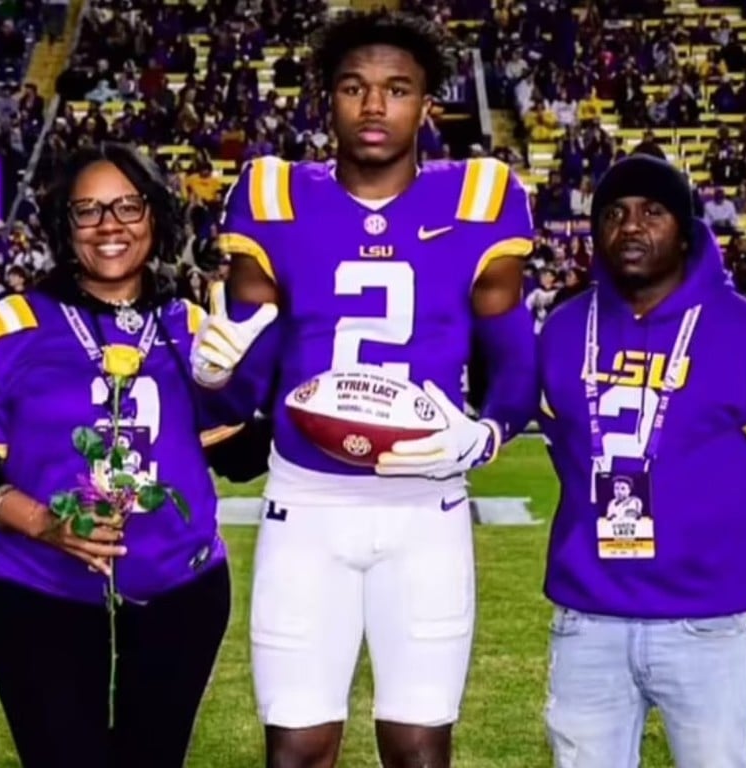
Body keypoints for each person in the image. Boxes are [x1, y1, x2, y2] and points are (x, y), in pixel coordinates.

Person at [191, 12, 539, 768]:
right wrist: (214, 374)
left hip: (427, 509)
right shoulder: (274, 195)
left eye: (397, 89)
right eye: (354, 87)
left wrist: (486, 434)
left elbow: (516, 362)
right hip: (307, 505)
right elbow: (243, 384)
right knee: (297, 749)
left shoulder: (480, 197)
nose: (375, 105)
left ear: (427, 104)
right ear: (328, 99)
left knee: (419, 748)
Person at [0, 142, 271, 768]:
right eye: (87, 210)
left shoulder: (189, 324)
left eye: (127, 206)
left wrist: (261, 372)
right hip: (38, 590)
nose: (109, 225)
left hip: (181, 591)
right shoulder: (10, 325)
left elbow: (241, 457)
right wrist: (42, 522)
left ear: (154, 215)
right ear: (64, 225)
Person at [539, 154, 746, 768]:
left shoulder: (743, 330)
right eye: (614, 214)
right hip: (588, 617)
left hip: (708, 619)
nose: (630, 226)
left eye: (652, 212)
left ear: (685, 231)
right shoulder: (563, 329)